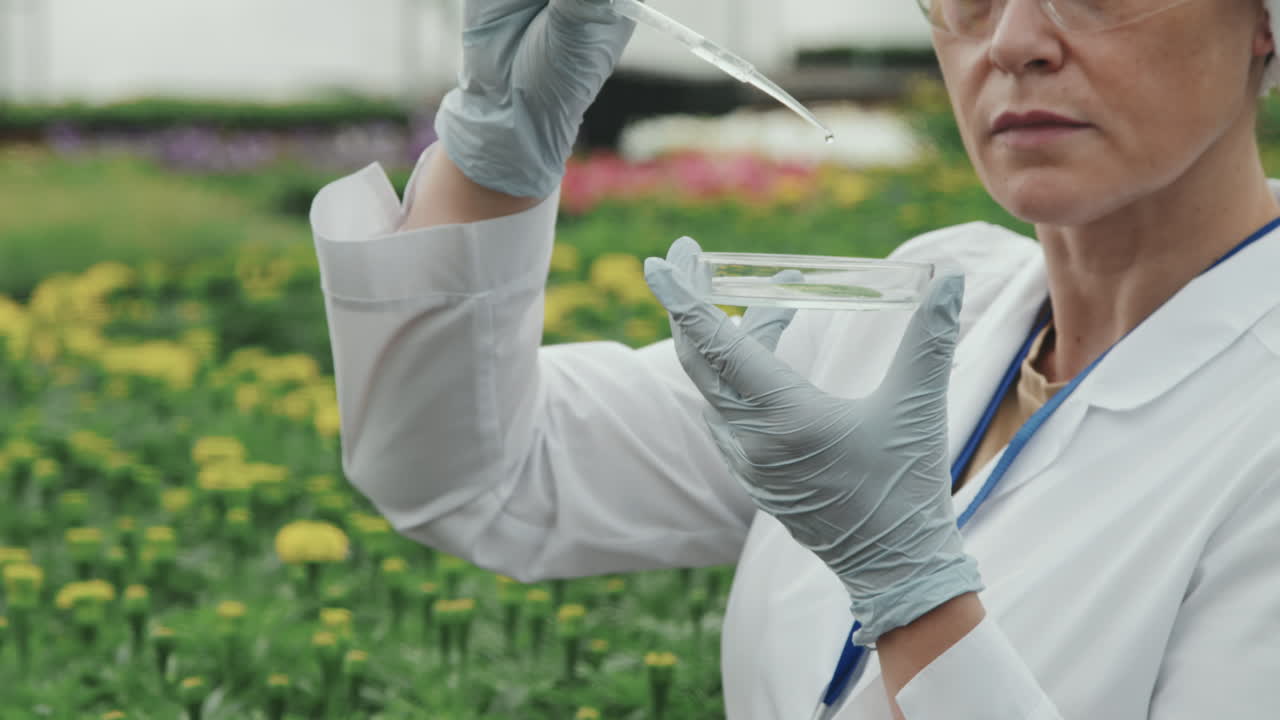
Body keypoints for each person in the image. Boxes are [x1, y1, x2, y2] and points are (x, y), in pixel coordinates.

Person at [307, 0, 1280, 716]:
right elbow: (471, 475)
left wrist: (916, 598)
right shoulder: (906, 306)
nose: (1013, 41)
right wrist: (494, 152)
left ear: (1261, 29)